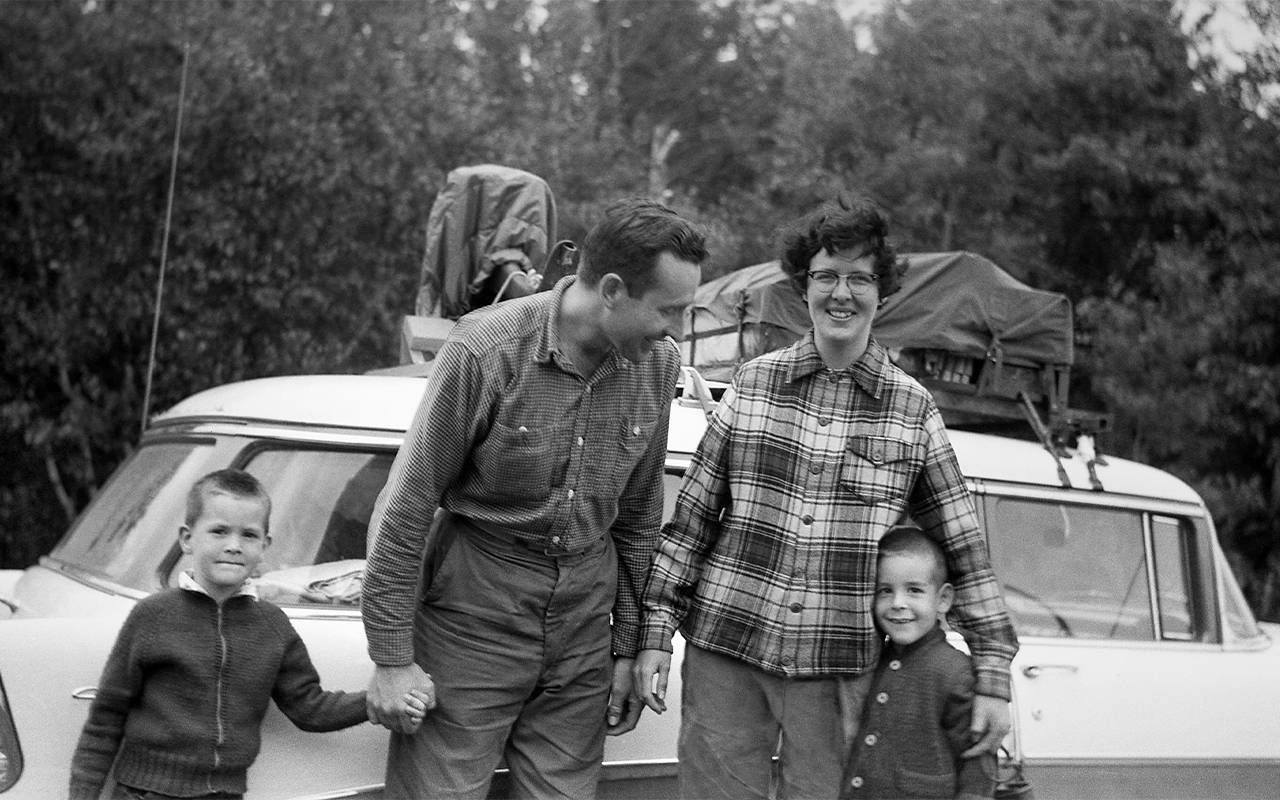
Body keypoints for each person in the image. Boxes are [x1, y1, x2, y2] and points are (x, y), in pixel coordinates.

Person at [634, 194, 1019, 799]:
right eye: (826, 276)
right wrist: (656, 633)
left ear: (881, 291)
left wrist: (993, 673)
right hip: (725, 651)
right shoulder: (752, 385)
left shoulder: (912, 411)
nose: (842, 293)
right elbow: (689, 527)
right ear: (803, 285)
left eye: (859, 278)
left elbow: (964, 549)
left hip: (842, 669)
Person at [362, 198, 708, 800]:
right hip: (473, 617)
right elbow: (408, 503)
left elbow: (637, 522)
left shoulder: (659, 366)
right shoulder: (486, 349)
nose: (675, 330)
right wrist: (391, 658)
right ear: (612, 290)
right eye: (669, 310)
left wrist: (627, 646)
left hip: (582, 629)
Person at [68, 469, 424, 800]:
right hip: (143, 792)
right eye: (219, 531)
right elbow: (106, 718)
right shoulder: (153, 617)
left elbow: (310, 707)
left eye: (249, 535)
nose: (234, 545)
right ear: (188, 539)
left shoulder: (272, 626)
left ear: (265, 545)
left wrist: (378, 700)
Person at [840, 526, 995, 800]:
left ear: (943, 599)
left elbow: (977, 761)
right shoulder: (870, 659)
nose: (898, 603)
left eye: (914, 590)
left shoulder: (956, 671)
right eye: (885, 591)